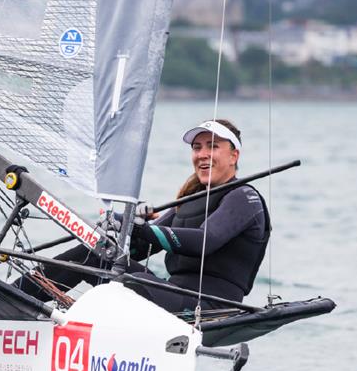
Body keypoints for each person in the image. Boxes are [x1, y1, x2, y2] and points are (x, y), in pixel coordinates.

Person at [17, 119, 270, 312]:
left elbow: (205, 241)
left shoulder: (244, 197)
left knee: (131, 283)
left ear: (234, 155)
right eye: (197, 147)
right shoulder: (189, 199)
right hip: (173, 292)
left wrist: (142, 228)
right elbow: (140, 251)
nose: (202, 154)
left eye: (212, 147)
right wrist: (123, 224)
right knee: (94, 254)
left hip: (212, 306)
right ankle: (13, 298)